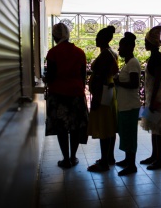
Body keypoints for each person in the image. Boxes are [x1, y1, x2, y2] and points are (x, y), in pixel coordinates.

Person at [45, 23, 88, 168]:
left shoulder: (53, 53)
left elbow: (50, 75)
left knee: (61, 128)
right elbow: (83, 75)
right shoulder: (79, 52)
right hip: (76, 94)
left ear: (55, 36)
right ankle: (73, 156)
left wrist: (46, 79)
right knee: (74, 127)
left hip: (58, 95)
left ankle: (65, 159)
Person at [87, 26, 119, 172]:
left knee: (104, 127)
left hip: (102, 93)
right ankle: (109, 157)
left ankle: (104, 161)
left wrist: (96, 98)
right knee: (110, 126)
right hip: (108, 92)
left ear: (103, 39)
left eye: (98, 37)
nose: (96, 40)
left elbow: (100, 77)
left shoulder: (105, 54)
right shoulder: (111, 53)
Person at [140, 26, 161, 170]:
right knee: (154, 127)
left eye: (146, 41)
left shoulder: (156, 57)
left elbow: (157, 79)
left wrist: (152, 101)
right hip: (152, 96)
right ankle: (154, 155)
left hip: (155, 97)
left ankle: (159, 158)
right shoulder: (154, 56)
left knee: (157, 128)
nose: (145, 44)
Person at [114, 32, 141, 175]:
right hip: (125, 105)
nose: (119, 50)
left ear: (129, 47)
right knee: (125, 134)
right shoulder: (128, 63)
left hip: (130, 106)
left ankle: (132, 165)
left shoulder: (133, 63)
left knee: (130, 136)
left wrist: (119, 82)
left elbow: (134, 84)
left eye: (121, 47)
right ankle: (127, 160)